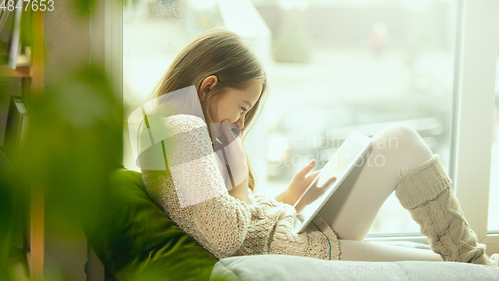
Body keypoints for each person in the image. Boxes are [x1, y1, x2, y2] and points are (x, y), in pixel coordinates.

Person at [138, 27, 499, 265]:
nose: (242, 123)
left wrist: (291, 197)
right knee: (439, 265)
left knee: (400, 140)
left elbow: (224, 217)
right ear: (209, 87)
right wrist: (236, 166)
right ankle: (473, 262)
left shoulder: (166, 127)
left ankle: (470, 259)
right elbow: (224, 238)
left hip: (291, 234)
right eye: (243, 107)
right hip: (294, 248)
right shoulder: (181, 129)